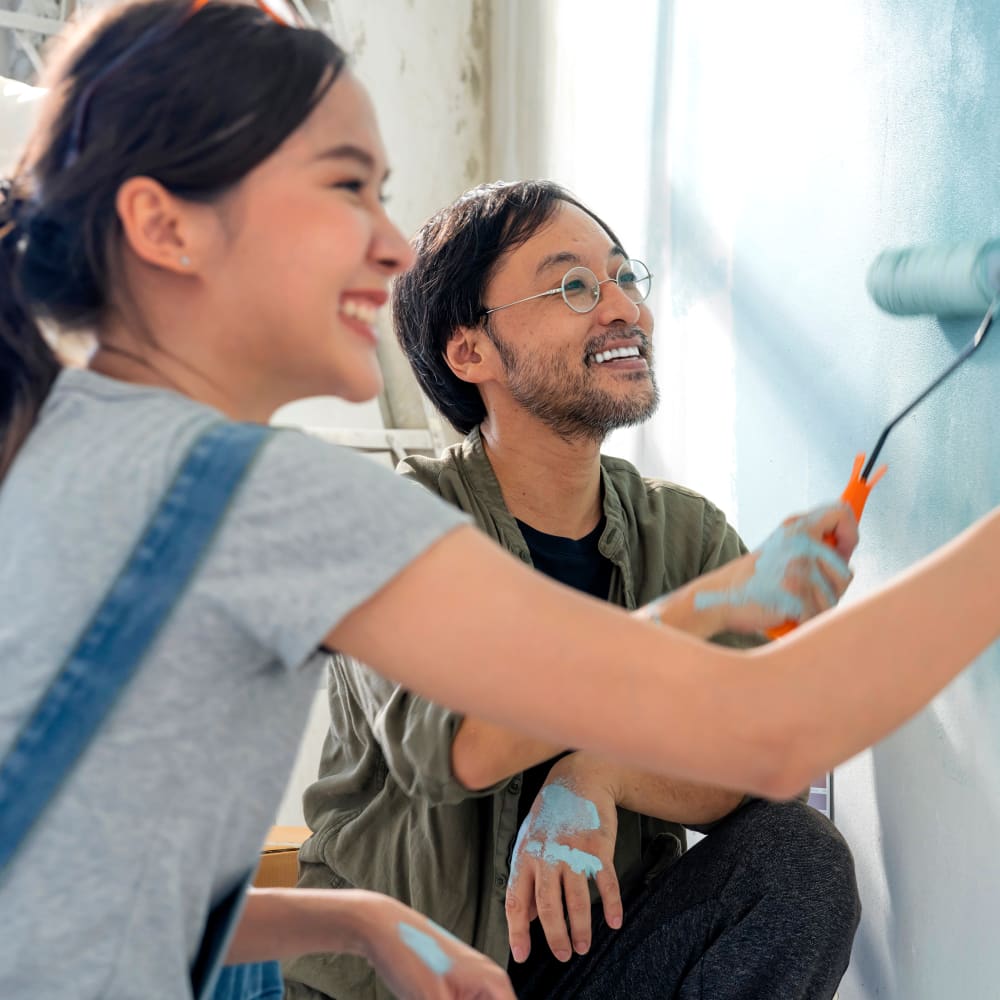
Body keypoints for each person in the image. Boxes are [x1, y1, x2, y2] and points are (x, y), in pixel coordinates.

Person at [0, 1, 997, 998]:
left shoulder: (92, 445)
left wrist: (362, 915)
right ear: (164, 226)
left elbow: (113, 872)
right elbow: (756, 728)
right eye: (344, 188)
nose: (391, 246)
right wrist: (712, 605)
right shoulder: (279, 495)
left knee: (795, 856)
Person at [285, 181, 861, 1000]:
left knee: (798, 858)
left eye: (625, 278)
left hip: (599, 971)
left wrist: (607, 771)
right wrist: (705, 608)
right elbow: (462, 747)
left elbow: (762, 754)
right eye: (575, 286)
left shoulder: (684, 535)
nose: (624, 308)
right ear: (470, 352)